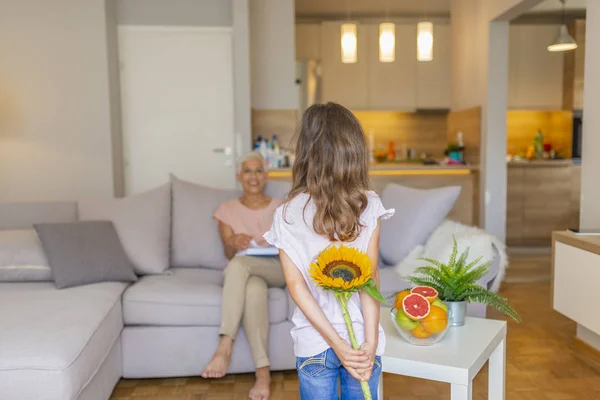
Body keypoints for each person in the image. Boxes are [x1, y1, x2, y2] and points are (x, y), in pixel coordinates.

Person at [264, 102, 395, 400]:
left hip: (314, 342)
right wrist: (371, 343)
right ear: (354, 151)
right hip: (363, 344)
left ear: (307, 151)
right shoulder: (369, 205)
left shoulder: (286, 214)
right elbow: (370, 281)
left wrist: (337, 344)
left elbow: (298, 289)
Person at [201, 151, 284, 400]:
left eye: (258, 170)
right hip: (247, 270)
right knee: (253, 290)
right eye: (248, 171)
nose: (253, 176)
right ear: (239, 176)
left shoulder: (280, 208)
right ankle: (263, 374)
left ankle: (225, 344)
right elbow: (228, 253)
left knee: (237, 267)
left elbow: (291, 250)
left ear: (266, 176)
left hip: (276, 267)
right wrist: (233, 241)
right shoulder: (225, 210)